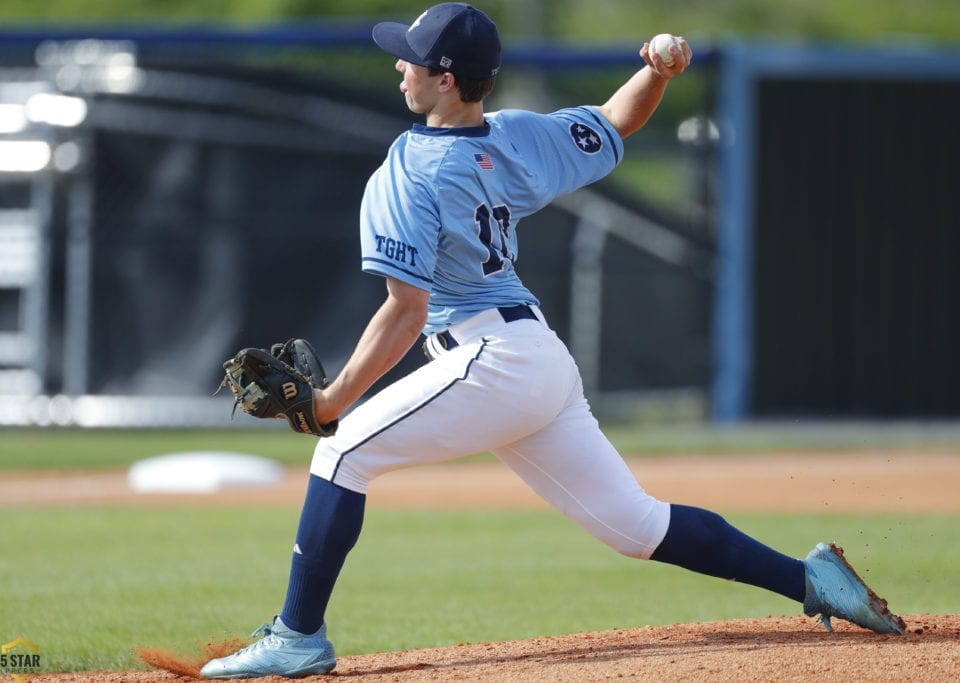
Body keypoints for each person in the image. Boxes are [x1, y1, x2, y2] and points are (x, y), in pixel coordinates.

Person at [200, 3, 904, 678]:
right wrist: (658, 73)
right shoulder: (513, 135)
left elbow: (406, 311)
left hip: (490, 360)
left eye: (411, 61)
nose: (399, 70)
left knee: (342, 450)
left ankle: (297, 636)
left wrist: (330, 401)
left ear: (446, 79)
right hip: (535, 358)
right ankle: (810, 579)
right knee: (635, 525)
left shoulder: (408, 166)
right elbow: (613, 121)